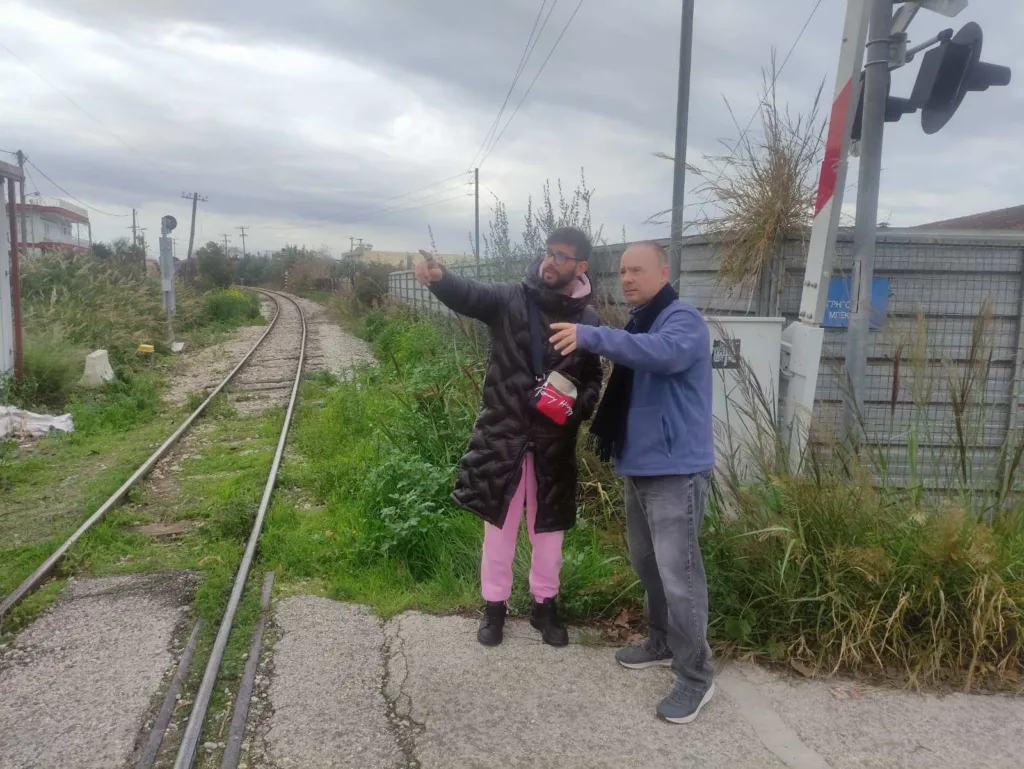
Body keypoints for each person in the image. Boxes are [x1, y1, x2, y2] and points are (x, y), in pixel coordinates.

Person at [549, 240, 715, 724]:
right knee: (648, 565)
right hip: (640, 466)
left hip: (675, 469)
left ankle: (696, 677)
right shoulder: (641, 323)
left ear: (664, 271)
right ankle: (662, 642)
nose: (626, 278)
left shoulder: (681, 320)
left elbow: (661, 356)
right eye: (621, 270)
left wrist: (593, 337)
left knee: (680, 577)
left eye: (637, 269)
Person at [415, 227, 604, 647]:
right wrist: (440, 278)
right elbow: (470, 295)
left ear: (581, 266)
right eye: (548, 252)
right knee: (498, 529)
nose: (550, 261)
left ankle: (545, 607)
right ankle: (494, 607)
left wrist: (575, 408)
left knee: (548, 531)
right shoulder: (510, 298)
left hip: (555, 443)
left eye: (561, 255)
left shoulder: (590, 322)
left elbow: (593, 379)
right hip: (504, 437)